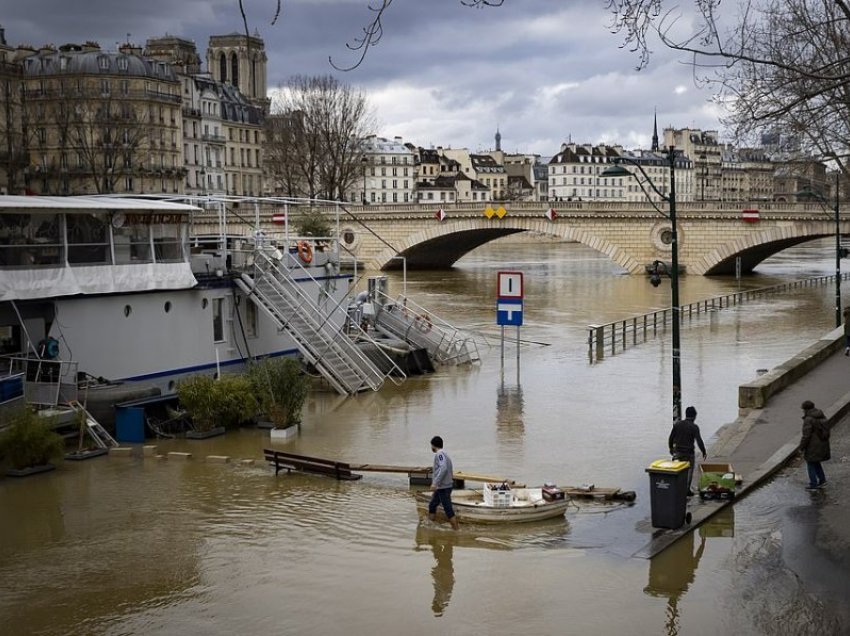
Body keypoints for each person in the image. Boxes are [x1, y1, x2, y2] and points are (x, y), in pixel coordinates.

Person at [668, 406, 707, 496]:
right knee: (689, 471)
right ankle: (686, 490)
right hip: (689, 454)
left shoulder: (677, 424)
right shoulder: (694, 427)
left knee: (678, 470)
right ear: (694, 416)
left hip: (678, 452)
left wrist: (670, 448)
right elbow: (699, 441)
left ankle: (676, 488)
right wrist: (704, 451)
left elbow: (671, 438)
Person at [428, 436, 459, 530]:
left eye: (431, 445)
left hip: (443, 487)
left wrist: (435, 483)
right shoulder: (444, 454)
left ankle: (456, 529)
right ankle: (430, 525)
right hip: (443, 487)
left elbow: (444, 468)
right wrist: (433, 469)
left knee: (448, 509)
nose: (431, 447)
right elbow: (442, 467)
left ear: (433, 445)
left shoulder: (439, 454)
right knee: (432, 505)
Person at [800, 400, 830, 490]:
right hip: (822, 443)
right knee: (816, 462)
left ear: (805, 409)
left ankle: (813, 484)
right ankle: (822, 480)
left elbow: (806, 436)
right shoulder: (820, 414)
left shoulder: (808, 419)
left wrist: (801, 448)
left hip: (813, 445)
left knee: (810, 464)